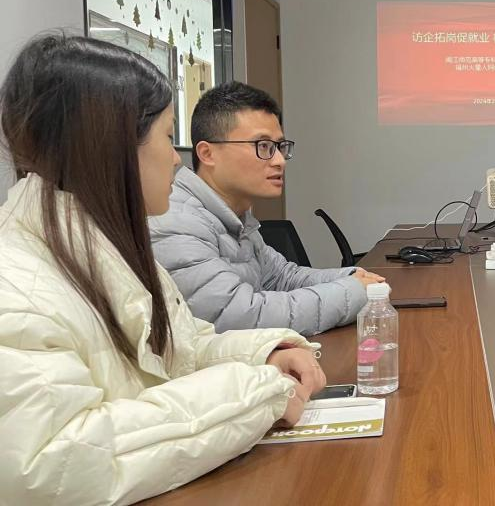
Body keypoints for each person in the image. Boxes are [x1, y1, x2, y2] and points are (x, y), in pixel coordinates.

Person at [0, 35, 327, 504]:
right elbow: (52, 465)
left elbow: (179, 350)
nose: (176, 158)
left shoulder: (107, 246)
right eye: (167, 136)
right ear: (112, 146)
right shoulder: (17, 285)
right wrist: (259, 390)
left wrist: (264, 355)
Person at [150, 82, 382, 335]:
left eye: (280, 147)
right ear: (208, 153)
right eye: (263, 146)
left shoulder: (235, 218)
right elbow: (237, 316)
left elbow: (282, 278)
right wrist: (353, 291)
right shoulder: (176, 221)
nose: (279, 160)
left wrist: (353, 277)